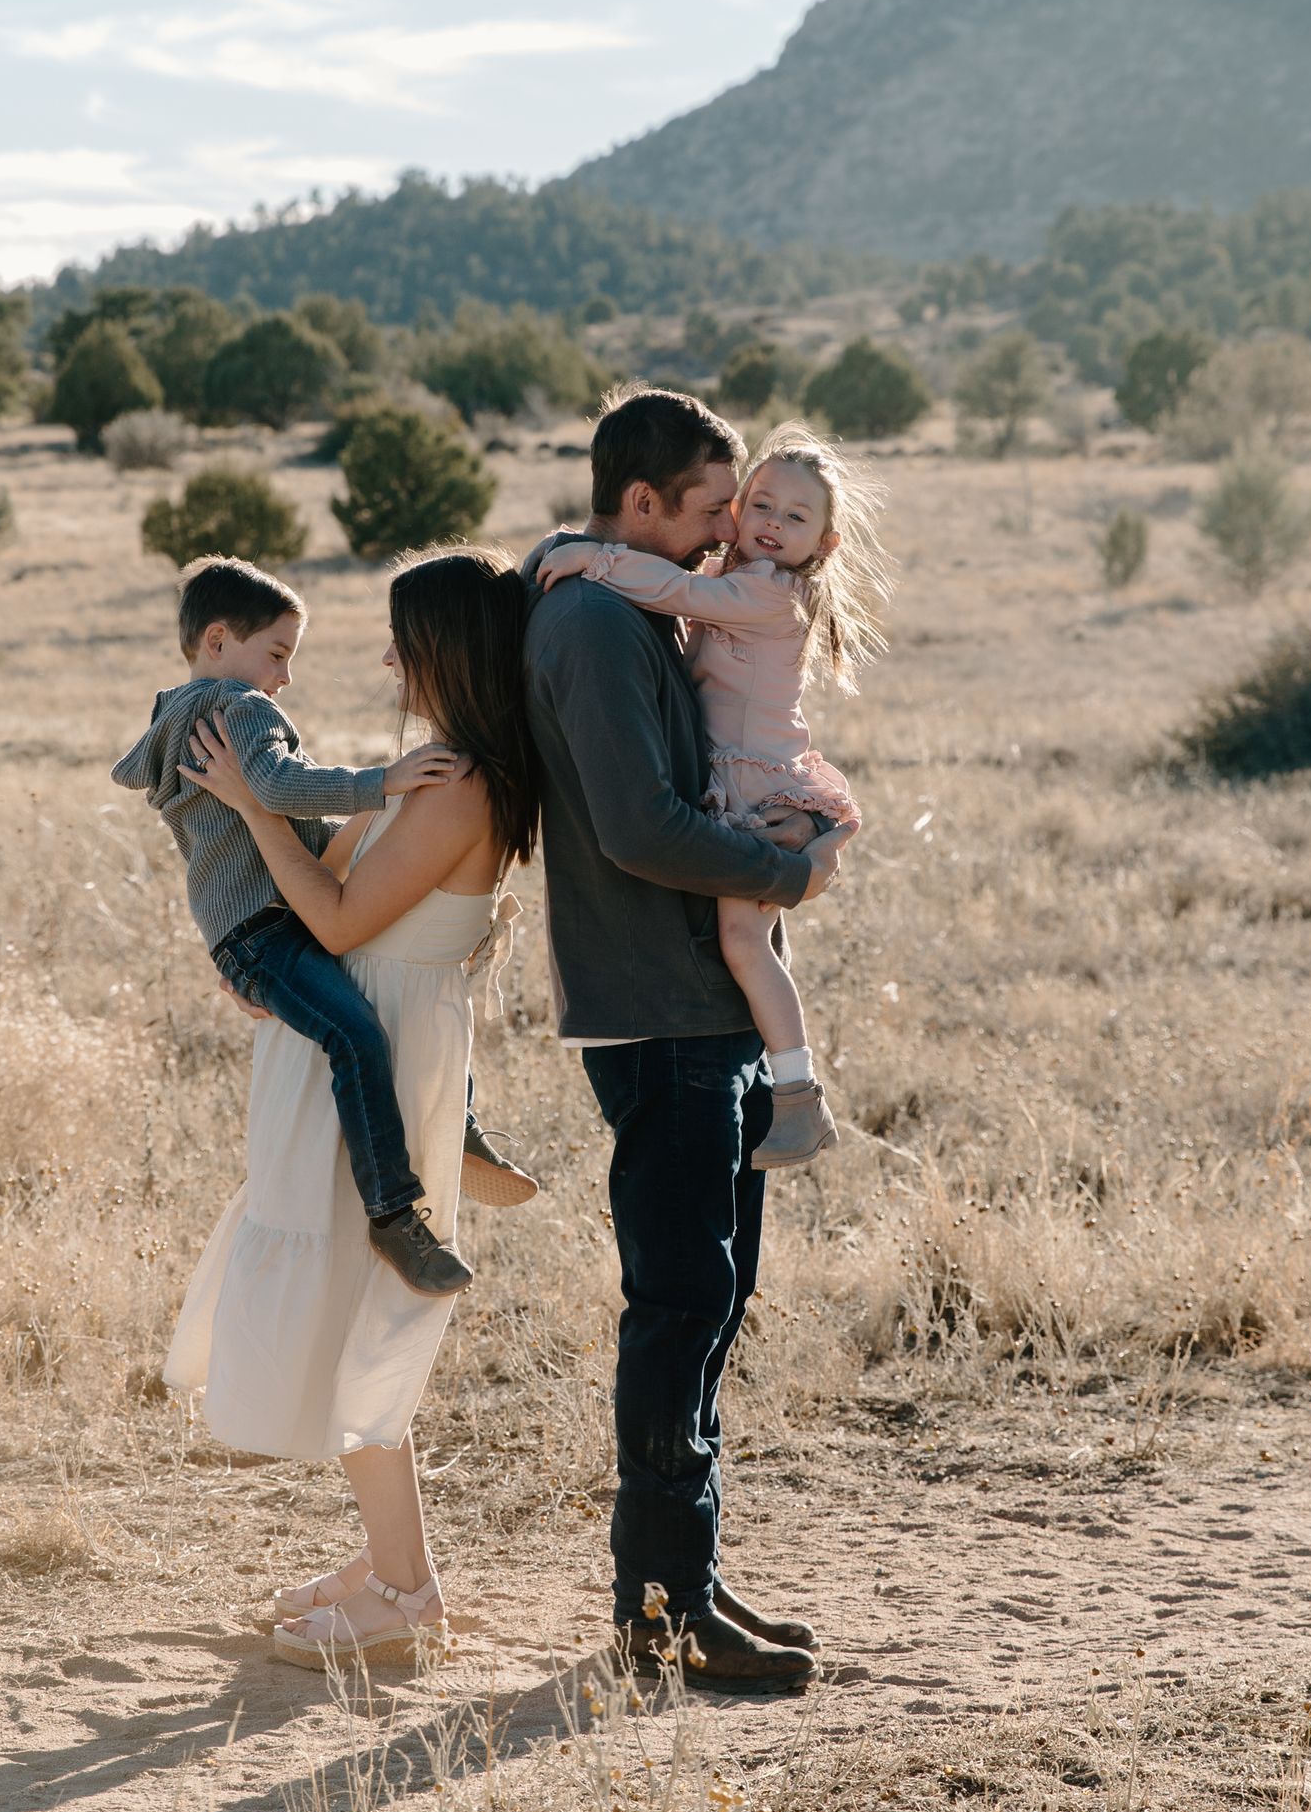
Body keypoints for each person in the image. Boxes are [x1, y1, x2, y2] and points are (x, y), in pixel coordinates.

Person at [523, 391, 849, 1691]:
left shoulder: (647, 601)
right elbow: (639, 829)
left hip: (703, 1007)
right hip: (654, 1009)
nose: (734, 536)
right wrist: (791, 879)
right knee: (677, 1308)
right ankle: (656, 1617)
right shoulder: (597, 619)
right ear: (643, 504)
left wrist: (802, 837)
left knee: (713, 1303)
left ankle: (691, 1580)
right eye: (715, 509)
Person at [167, 547, 540, 1669]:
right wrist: (252, 952)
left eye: (399, 637)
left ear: (444, 652)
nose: (383, 657)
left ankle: (402, 1591)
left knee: (363, 1312)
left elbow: (332, 918)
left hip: (380, 1053)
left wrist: (247, 803)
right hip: (345, 1041)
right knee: (342, 1303)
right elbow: (306, 896)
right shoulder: (429, 767)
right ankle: (392, 1564)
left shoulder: (464, 784)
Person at [110, 553, 474, 1298]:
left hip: (250, 927)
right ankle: (394, 1211)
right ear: (217, 641)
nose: (285, 677)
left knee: (384, 997)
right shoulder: (239, 710)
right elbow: (277, 787)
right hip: (268, 927)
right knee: (358, 1032)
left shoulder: (178, 717)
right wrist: (385, 782)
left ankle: (455, 1121)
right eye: (277, 654)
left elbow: (271, 814)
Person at [537, 421, 885, 1169]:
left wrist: (590, 557)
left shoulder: (770, 594)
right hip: (741, 774)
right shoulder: (741, 574)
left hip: (757, 781)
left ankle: (799, 1096)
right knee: (747, 943)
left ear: (823, 543)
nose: (765, 524)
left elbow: (671, 590)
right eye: (755, 505)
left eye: (795, 518)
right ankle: (791, 1092)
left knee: (744, 943)